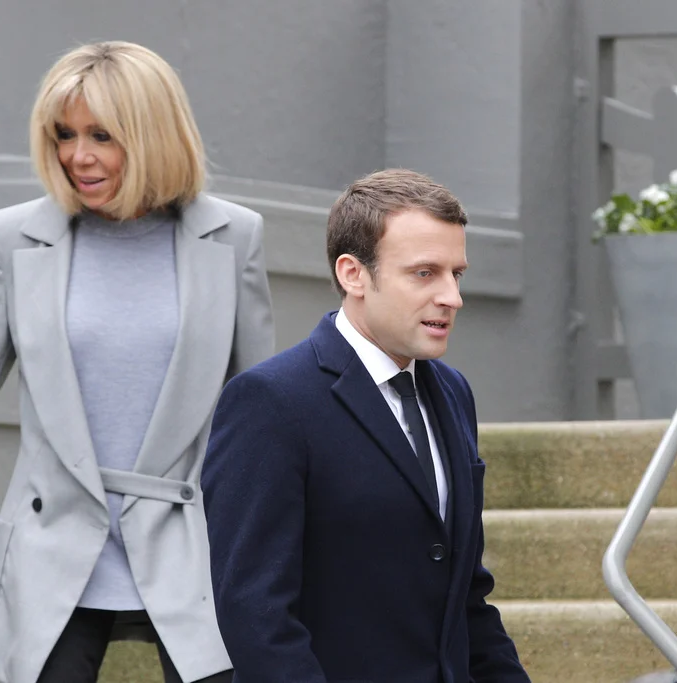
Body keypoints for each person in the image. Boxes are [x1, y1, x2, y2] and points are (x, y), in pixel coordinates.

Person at [0, 41, 274, 683]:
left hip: (192, 542)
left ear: (154, 133)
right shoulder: (11, 238)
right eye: (64, 134)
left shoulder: (233, 237)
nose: (78, 156)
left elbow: (261, 419)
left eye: (102, 134)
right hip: (54, 542)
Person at [201, 169, 532, 682]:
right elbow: (256, 617)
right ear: (353, 274)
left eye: (456, 273)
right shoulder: (270, 402)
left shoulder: (453, 392)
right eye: (425, 273)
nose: (452, 297)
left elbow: (466, 597)